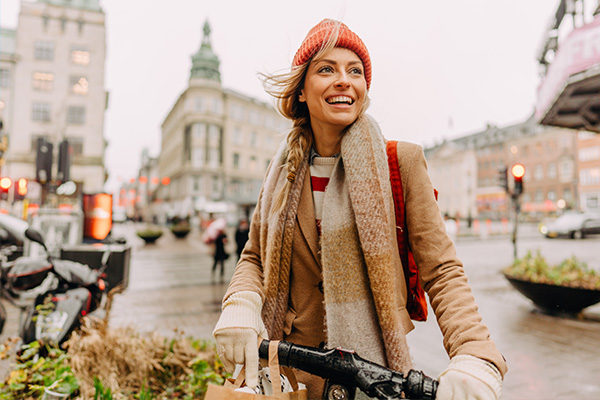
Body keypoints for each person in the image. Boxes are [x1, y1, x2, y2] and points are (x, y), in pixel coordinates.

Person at [213, 19, 507, 399]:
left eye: (355, 71)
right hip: (288, 378)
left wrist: (474, 353)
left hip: (374, 380)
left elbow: (442, 270)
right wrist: (240, 303)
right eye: (326, 69)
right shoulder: (280, 172)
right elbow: (254, 256)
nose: (344, 80)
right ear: (301, 89)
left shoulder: (400, 163)